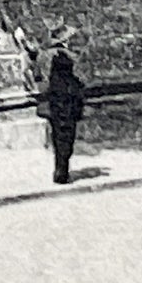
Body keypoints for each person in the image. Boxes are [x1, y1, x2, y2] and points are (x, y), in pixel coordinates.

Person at [38, 47, 86, 185]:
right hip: (66, 113)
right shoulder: (69, 82)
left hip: (59, 113)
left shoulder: (57, 81)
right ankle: (61, 170)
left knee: (59, 140)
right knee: (66, 141)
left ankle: (60, 170)